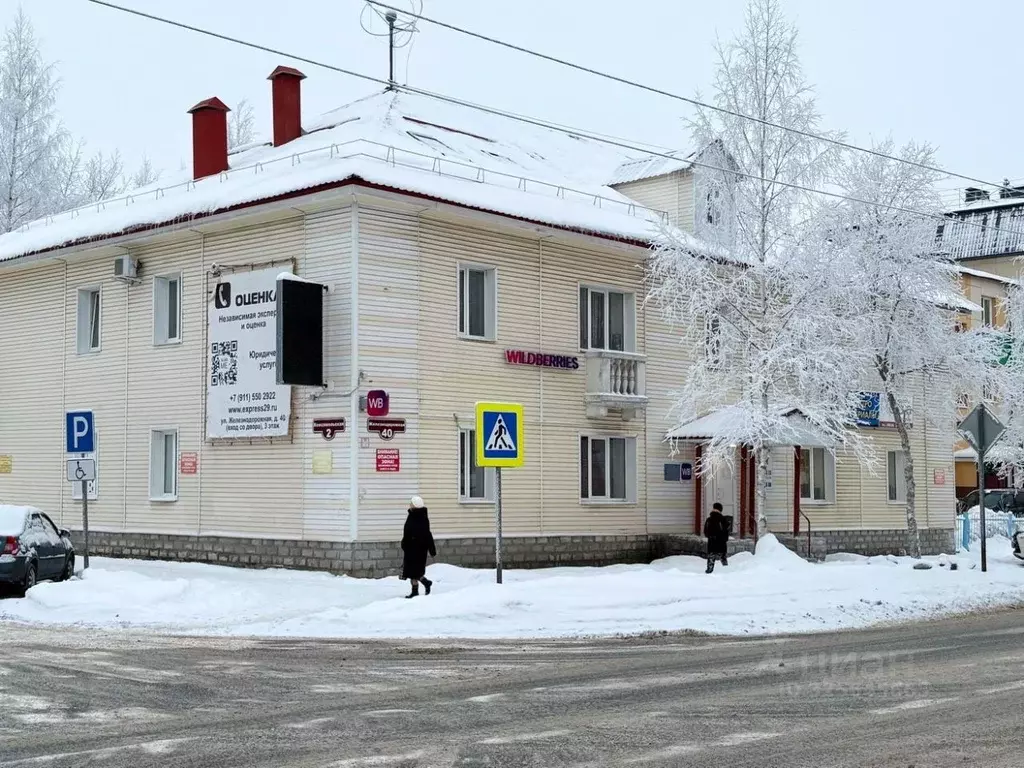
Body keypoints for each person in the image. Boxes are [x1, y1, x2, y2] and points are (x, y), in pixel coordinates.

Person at [401, 495, 436, 598]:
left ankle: (418, 589)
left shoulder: (419, 517)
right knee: (413, 572)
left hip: (417, 550)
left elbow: (427, 534)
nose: (410, 504)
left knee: (414, 572)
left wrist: (431, 549)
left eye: (411, 503)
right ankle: (424, 584)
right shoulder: (413, 515)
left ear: (415, 505)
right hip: (411, 549)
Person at [703, 502, 729, 574]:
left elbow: (705, 531)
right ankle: (726, 571)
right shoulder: (723, 519)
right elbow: (726, 531)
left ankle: (709, 570)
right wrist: (725, 539)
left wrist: (710, 536)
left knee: (711, 557)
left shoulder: (709, 519)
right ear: (720, 509)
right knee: (723, 558)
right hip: (721, 542)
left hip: (711, 542)